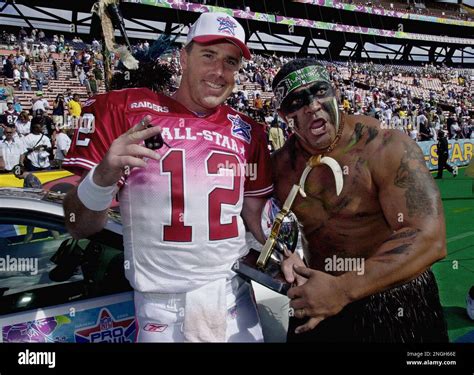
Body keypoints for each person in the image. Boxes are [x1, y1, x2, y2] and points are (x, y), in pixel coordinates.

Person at [63, 12, 272, 343]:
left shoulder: (249, 133)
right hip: (162, 317)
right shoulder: (126, 112)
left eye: (230, 62)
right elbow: (78, 223)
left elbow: (255, 220)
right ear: (183, 57)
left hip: (236, 305)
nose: (219, 71)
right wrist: (103, 175)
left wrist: (281, 256)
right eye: (208, 55)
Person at [271, 58, 448, 342]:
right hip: (319, 296)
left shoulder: (384, 146)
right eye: (296, 102)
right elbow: (255, 224)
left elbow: (430, 238)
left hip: (391, 296)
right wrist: (285, 258)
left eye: (319, 91)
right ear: (283, 116)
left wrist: (343, 289)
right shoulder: (280, 167)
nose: (312, 105)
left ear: (336, 92)